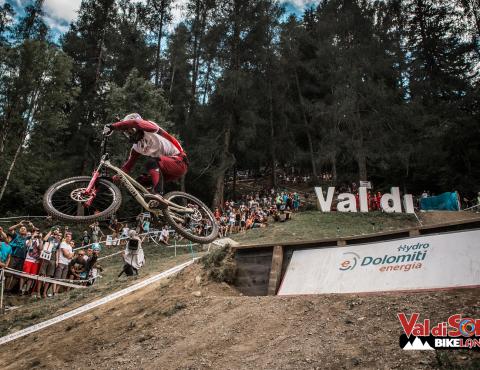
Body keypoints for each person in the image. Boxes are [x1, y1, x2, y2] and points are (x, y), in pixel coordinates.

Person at [104, 113, 188, 199]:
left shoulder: (150, 128)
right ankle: (155, 209)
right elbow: (127, 167)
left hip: (180, 161)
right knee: (138, 184)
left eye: (130, 130)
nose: (129, 134)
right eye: (127, 133)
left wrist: (113, 126)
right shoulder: (136, 147)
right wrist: (113, 180)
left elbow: (136, 123)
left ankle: (158, 195)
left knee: (152, 162)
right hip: (165, 171)